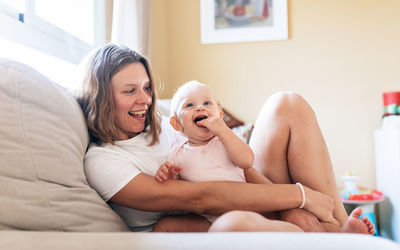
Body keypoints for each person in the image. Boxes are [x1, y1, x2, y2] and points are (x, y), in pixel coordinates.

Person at [77, 43, 362, 233]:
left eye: (147, 88)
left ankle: (340, 226)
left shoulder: (165, 125)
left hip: (244, 189)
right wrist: (299, 197)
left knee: (286, 103)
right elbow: (202, 198)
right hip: (200, 221)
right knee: (232, 226)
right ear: (101, 97)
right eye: (130, 91)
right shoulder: (103, 161)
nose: (146, 100)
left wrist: (289, 207)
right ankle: (318, 236)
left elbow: (238, 165)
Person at [153, 80, 375, 234]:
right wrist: (169, 176)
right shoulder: (178, 153)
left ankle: (341, 229)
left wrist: (224, 131)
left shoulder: (223, 142)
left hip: (258, 201)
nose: (199, 107)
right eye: (189, 105)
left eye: (207, 103)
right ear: (175, 123)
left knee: (283, 219)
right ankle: (318, 235)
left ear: (219, 115)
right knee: (174, 225)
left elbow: (246, 162)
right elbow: (177, 192)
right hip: (214, 217)